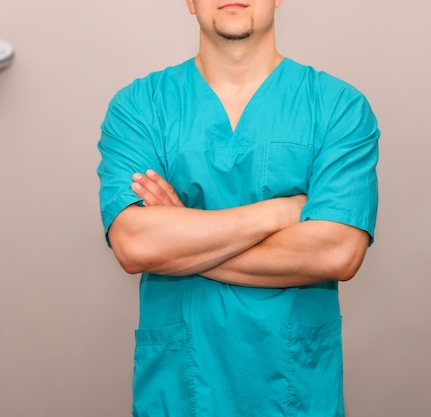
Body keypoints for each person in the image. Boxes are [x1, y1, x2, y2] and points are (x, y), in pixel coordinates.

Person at [97, 1, 379, 416]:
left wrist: (179, 241)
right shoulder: (140, 108)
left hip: (295, 393)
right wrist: (279, 214)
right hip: (179, 393)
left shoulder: (337, 108)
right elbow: (136, 245)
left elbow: (337, 252)